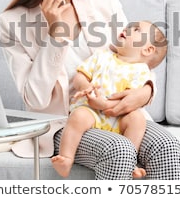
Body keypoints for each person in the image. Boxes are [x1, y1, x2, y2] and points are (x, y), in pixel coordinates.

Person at [0, 0, 180, 179]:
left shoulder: (104, 1)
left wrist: (145, 91)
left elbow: (135, 57)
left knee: (166, 147)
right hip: (65, 122)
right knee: (118, 150)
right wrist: (56, 35)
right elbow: (36, 98)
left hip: (116, 113)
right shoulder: (11, 22)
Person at [51, 20, 167, 178]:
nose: (127, 29)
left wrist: (104, 103)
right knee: (78, 117)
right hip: (92, 112)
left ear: (147, 50)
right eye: (129, 27)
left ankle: (130, 163)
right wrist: (86, 87)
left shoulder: (141, 71)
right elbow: (80, 77)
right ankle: (66, 158)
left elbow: (129, 100)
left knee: (137, 119)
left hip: (119, 117)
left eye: (136, 30)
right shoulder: (102, 57)